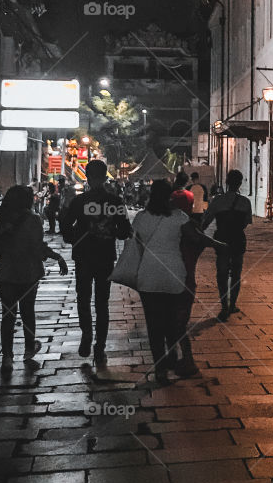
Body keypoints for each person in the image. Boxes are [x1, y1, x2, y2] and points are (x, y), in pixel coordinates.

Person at [131, 178, 227, 384]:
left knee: (153, 324)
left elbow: (136, 243)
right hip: (173, 273)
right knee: (172, 320)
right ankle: (173, 355)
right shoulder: (178, 217)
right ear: (169, 196)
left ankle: (160, 369)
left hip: (148, 274)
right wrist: (219, 244)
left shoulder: (140, 217)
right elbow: (197, 237)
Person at [0, 185, 68, 377]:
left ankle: (7, 356)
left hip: (6, 274)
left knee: (8, 315)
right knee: (27, 312)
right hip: (27, 273)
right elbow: (38, 247)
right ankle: (29, 348)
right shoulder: (33, 220)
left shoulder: (3, 219)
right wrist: (56, 257)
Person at [60, 159, 131, 367]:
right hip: (105, 256)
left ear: (88, 178)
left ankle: (86, 335)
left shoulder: (80, 202)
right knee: (102, 302)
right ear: (105, 176)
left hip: (83, 256)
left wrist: (75, 237)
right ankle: (99, 347)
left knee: (83, 297)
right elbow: (124, 230)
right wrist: (110, 232)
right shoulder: (114, 202)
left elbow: (65, 224)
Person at [203, 168, 253, 319]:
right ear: (240, 183)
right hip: (238, 240)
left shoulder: (218, 201)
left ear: (226, 182)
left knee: (222, 274)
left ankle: (224, 306)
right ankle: (232, 305)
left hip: (221, 241)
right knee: (236, 274)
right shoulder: (245, 202)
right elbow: (246, 223)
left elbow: (206, 221)